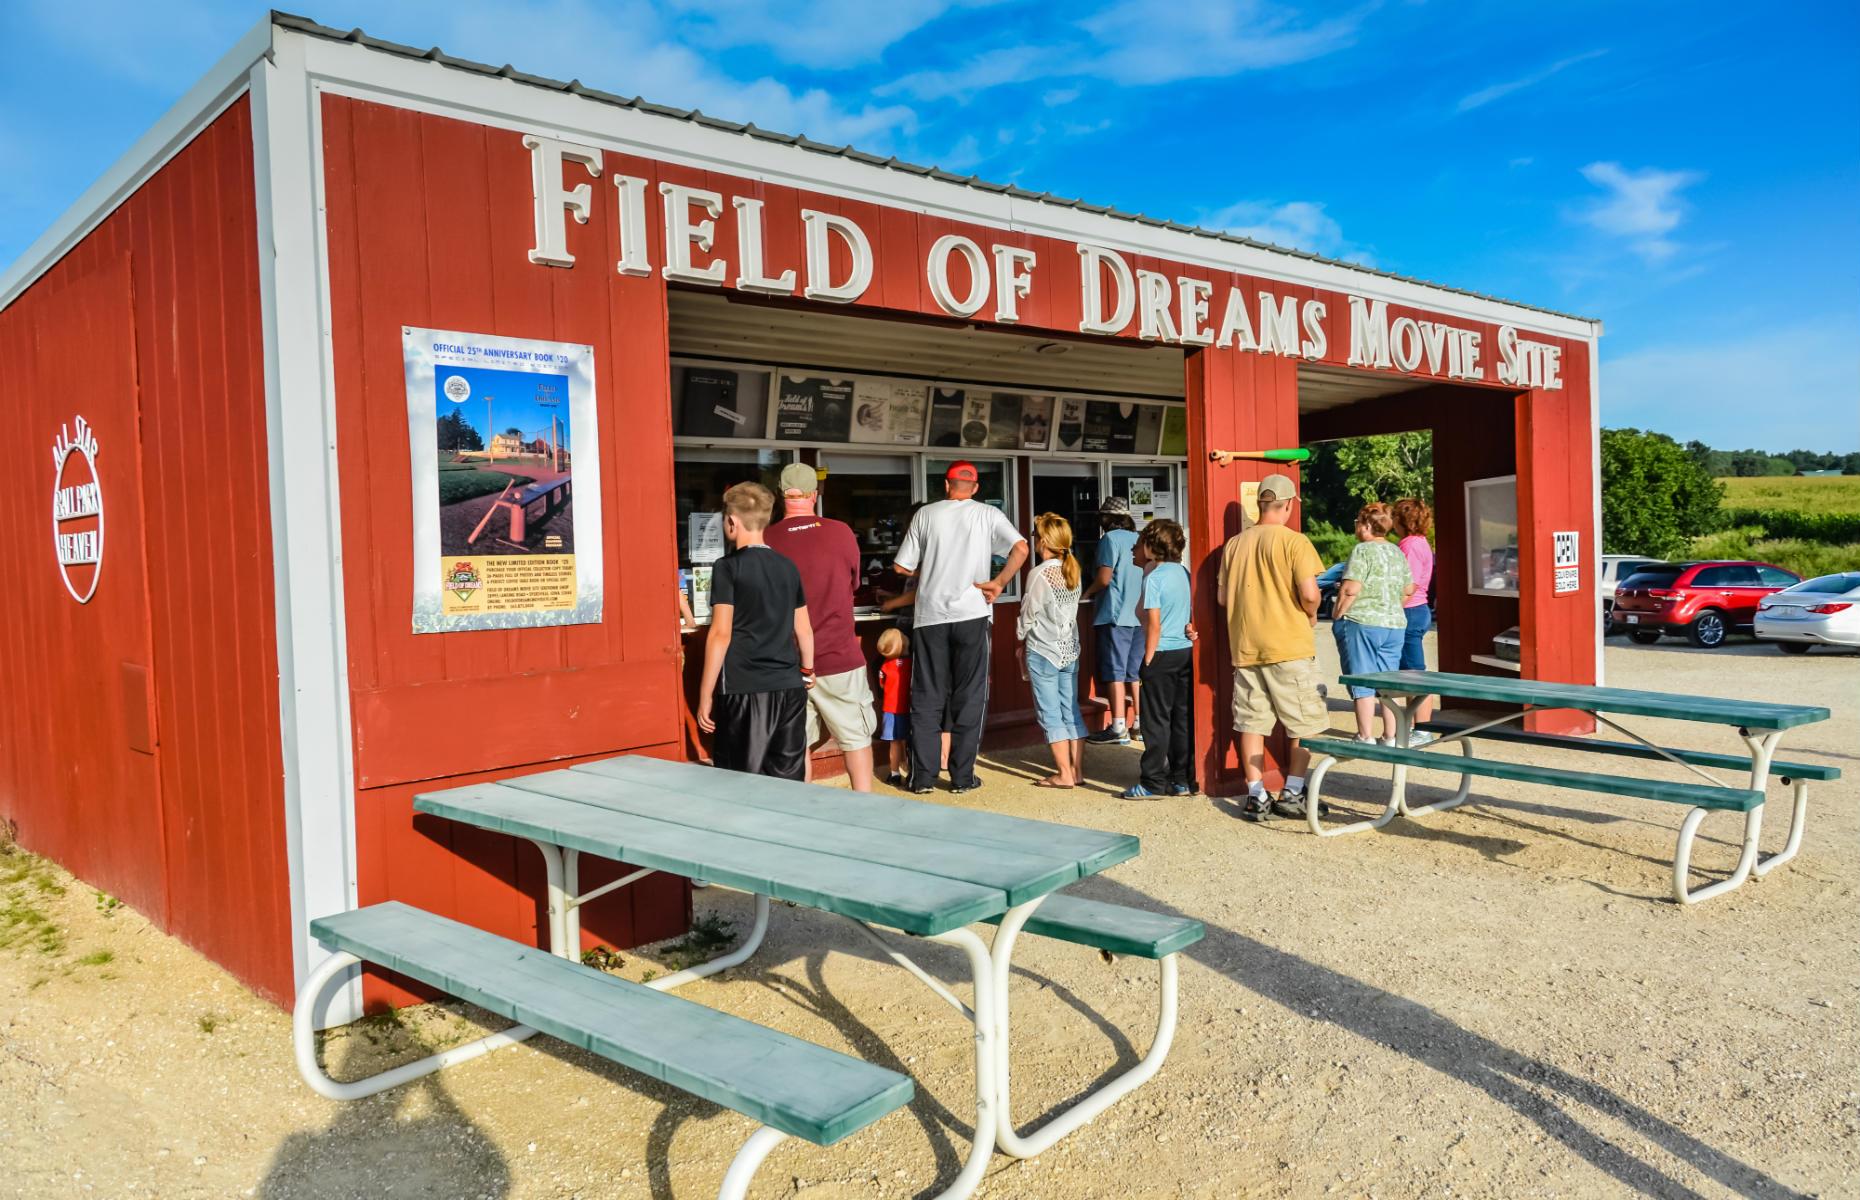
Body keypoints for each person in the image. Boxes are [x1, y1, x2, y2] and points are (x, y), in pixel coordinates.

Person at [893, 461, 1030, 794]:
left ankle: (922, 778)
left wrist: (936, 565)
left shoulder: (926, 514)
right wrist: (999, 582)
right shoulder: (987, 515)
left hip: (931, 617)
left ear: (946, 484)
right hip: (973, 614)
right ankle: (962, 777)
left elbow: (901, 566)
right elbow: (1021, 548)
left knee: (926, 697)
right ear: (976, 487)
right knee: (970, 696)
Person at [1216, 472, 1328, 821]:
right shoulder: (1295, 543)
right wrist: (1310, 613)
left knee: (1252, 722)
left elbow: (1222, 597)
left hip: (1247, 647)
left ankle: (1256, 794)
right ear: (1289, 504)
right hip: (1289, 645)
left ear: (1260, 504)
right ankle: (1292, 791)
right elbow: (1310, 593)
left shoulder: (1234, 545)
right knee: (1303, 724)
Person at [764, 462, 876, 791]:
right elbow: (854, 582)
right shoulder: (840, 531)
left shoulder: (766, 538)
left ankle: (806, 815)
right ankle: (865, 806)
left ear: (780, 494)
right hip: (840, 655)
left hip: (787, 662)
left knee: (797, 746)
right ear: (815, 494)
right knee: (855, 739)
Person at [696, 482, 813, 780]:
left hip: (744, 686)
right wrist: (807, 669)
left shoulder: (727, 567)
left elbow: (721, 634)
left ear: (732, 522)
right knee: (787, 780)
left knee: (741, 780)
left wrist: (706, 693)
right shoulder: (788, 566)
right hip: (789, 685)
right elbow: (804, 629)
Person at [1331, 503, 1416, 744]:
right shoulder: (1396, 552)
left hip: (1362, 621)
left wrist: (1338, 614)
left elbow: (1350, 589)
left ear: (1367, 525)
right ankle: (1391, 735)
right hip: (1394, 624)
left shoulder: (1363, 550)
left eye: (1358, 522)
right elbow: (1409, 589)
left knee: (1363, 679)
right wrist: (1391, 604)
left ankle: (1364, 735)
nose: (1356, 527)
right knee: (1388, 682)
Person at [1124, 519, 1195, 800]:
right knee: (1181, 718)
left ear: (1152, 546)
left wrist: (1148, 660)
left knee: (1156, 721)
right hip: (1184, 651)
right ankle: (1181, 779)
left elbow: (1153, 624)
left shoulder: (1154, 578)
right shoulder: (1184, 574)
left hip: (1161, 651)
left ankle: (1152, 781)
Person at [1017, 513, 1087, 789]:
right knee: (1071, 711)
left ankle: (1063, 774)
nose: (1033, 539)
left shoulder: (1039, 574)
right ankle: (1077, 771)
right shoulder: (1074, 570)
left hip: (1043, 649)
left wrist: (1019, 639)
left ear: (1044, 541)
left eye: (1035, 535)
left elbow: (1028, 614)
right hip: (1070, 648)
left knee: (1050, 713)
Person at [1083, 497, 1143, 745]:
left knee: (1115, 672)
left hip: (1115, 614)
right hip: (1140, 615)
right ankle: (1139, 724)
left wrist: (1087, 592)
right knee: (1135, 674)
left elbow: (1105, 578)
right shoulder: (1139, 539)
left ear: (1106, 519)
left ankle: (1118, 725)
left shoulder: (1109, 539)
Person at [1392, 497, 1438, 739]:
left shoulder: (1408, 545)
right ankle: (1414, 727)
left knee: (1415, 672)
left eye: (1395, 517)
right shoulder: (1422, 542)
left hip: (1409, 610)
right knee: (1412, 672)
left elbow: (1406, 585)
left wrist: (1392, 610)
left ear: (1403, 520)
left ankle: (1423, 729)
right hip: (1420, 609)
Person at [875, 627, 912, 787]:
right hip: (909, 707)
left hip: (890, 709)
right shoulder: (911, 663)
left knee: (894, 743)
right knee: (909, 741)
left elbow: (882, 685)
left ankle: (895, 773)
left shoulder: (885, 666)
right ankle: (911, 771)